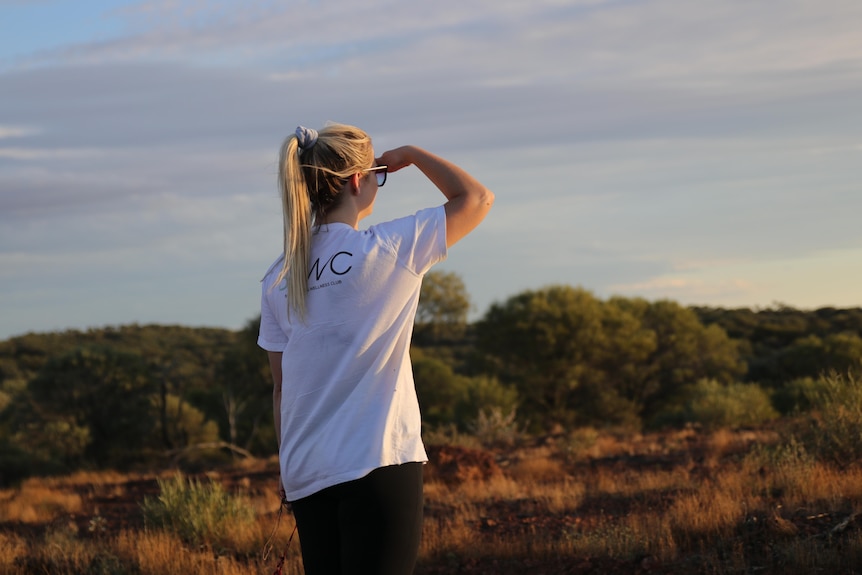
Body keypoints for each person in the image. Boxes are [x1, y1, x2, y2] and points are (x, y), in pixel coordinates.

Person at [257, 122, 493, 574]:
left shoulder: (278, 278)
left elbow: (282, 390)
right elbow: (476, 199)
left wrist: (289, 467)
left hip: (306, 470)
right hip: (377, 459)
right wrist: (412, 154)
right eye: (377, 174)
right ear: (359, 180)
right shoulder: (389, 248)